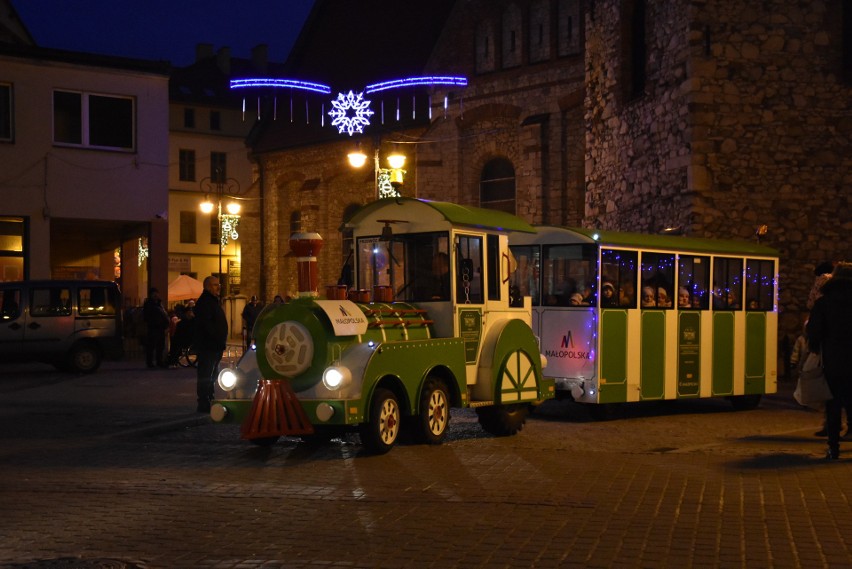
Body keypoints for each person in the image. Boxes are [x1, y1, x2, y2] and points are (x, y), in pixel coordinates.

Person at [807, 262, 852, 459]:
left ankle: (833, 447)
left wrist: (816, 347)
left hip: (833, 359)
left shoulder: (824, 303)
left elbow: (814, 332)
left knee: (833, 403)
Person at [194, 276, 228, 413]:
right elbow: (206, 325)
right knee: (206, 374)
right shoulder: (205, 302)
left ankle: (209, 398)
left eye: (218, 284)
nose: (218, 287)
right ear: (207, 286)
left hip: (215, 345)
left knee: (212, 374)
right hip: (209, 346)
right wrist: (216, 337)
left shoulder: (213, 301)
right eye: (214, 285)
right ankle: (204, 402)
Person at [142, 287, 169, 368]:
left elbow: (163, 314)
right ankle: (150, 363)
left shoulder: (159, 303)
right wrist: (154, 322)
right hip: (153, 327)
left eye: (156, 293)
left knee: (160, 346)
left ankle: (159, 361)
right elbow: (146, 316)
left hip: (161, 328)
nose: (156, 295)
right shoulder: (149, 304)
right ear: (151, 295)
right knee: (151, 346)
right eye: (154, 294)